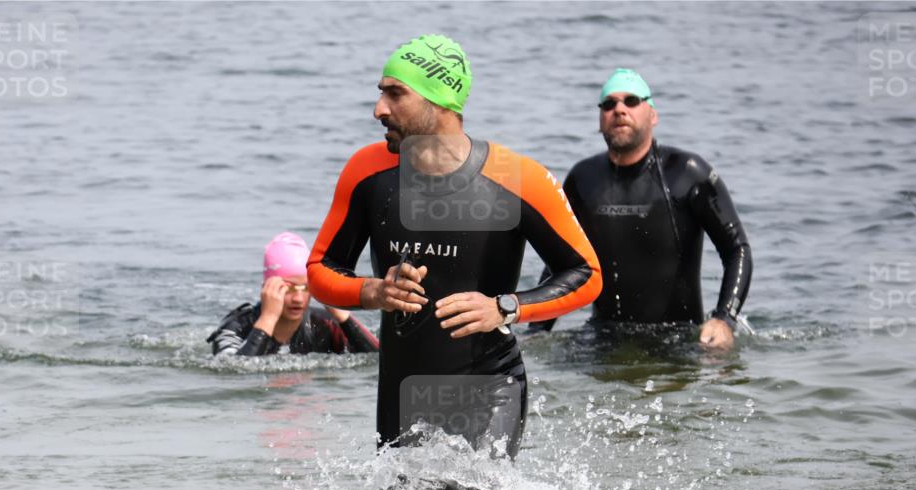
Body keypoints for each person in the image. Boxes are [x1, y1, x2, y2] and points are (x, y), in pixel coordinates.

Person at [306, 35, 601, 458]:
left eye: (395, 94)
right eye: (380, 93)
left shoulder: (517, 178)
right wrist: (372, 292)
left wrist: (505, 307)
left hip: (490, 387)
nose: (379, 109)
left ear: (440, 100)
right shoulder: (367, 172)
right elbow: (321, 268)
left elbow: (586, 274)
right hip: (401, 393)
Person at [531, 68, 752, 350]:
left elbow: (737, 249)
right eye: (609, 104)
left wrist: (724, 319)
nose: (619, 110)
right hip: (603, 339)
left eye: (631, 101)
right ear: (600, 120)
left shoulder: (687, 173)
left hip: (678, 340)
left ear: (653, 115)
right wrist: (537, 330)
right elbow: (560, 262)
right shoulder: (583, 179)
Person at [208, 232, 378, 356]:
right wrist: (267, 319)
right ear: (267, 287)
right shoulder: (236, 326)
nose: (297, 299)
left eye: (305, 288)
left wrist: (345, 320)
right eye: (287, 288)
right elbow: (234, 374)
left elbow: (377, 361)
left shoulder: (324, 325)